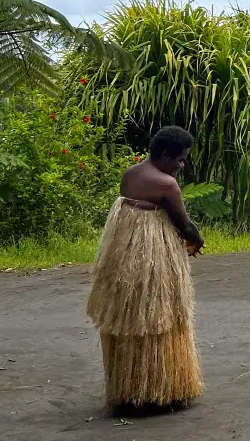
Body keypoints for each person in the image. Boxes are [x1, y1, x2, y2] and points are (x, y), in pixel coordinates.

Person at [86, 126, 206, 415]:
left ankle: (131, 390)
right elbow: (183, 223)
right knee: (160, 313)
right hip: (151, 253)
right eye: (179, 160)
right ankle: (161, 391)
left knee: (130, 315)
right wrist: (197, 239)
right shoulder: (166, 184)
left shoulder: (131, 173)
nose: (181, 166)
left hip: (123, 252)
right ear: (164, 155)